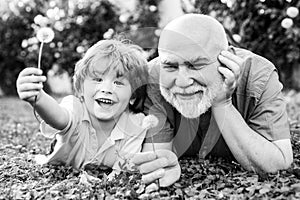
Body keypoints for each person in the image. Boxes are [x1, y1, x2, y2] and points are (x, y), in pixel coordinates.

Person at [132, 14, 293, 187]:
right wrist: (162, 167)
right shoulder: (154, 79)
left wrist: (222, 103)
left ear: (227, 59)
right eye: (170, 66)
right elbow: (158, 158)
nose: (182, 82)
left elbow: (278, 164)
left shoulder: (258, 75)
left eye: (196, 65)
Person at [16, 39, 151, 176]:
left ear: (133, 95)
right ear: (81, 88)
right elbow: (59, 118)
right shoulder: (75, 108)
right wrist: (39, 99)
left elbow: (123, 170)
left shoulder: (136, 124)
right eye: (98, 79)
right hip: (62, 168)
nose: (107, 89)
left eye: (118, 83)